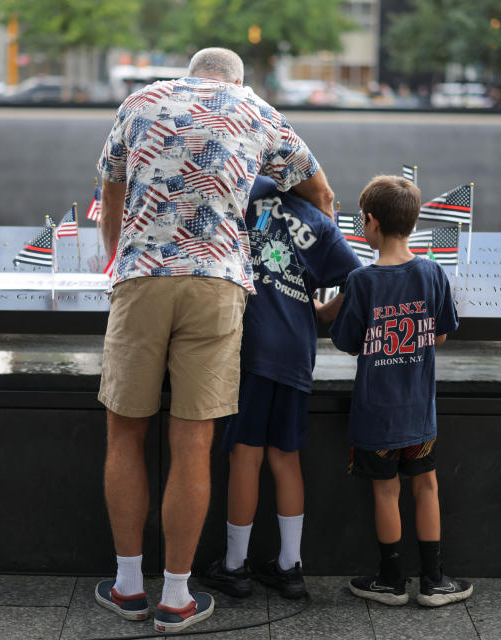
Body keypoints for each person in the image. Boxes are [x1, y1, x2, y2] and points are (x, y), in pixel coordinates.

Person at [93, 47, 333, 633]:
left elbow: (110, 196)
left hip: (143, 277)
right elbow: (321, 196)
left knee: (125, 433)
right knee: (194, 444)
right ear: (235, 79)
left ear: (191, 72)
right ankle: (176, 598)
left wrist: (116, 260)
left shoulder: (141, 100)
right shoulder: (258, 111)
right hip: (218, 284)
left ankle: (128, 587)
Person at [199, 176, 360, 600]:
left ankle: (235, 566)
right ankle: (290, 567)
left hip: (250, 347)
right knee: (286, 457)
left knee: (245, 456)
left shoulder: (244, 191)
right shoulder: (318, 219)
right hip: (296, 351)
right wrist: (324, 313)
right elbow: (359, 279)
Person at [329, 175, 472, 607]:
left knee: (385, 491)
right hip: (419, 413)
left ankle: (391, 581)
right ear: (412, 223)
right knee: (425, 486)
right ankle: (434, 581)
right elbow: (441, 335)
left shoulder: (361, 280)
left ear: (370, 223)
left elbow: (348, 341)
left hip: (375, 414)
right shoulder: (431, 272)